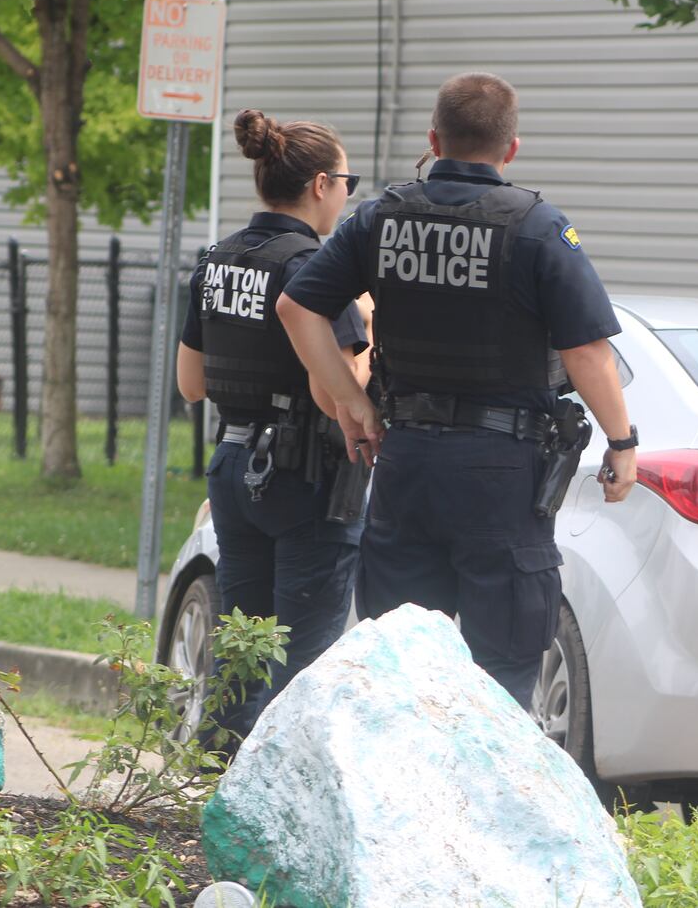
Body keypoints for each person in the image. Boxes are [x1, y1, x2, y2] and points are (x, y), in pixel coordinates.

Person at [276, 71, 637, 709]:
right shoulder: (537, 227)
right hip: (500, 473)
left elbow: (295, 308)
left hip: (406, 461)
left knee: (402, 673)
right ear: (511, 148)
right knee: (502, 673)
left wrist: (351, 404)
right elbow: (586, 351)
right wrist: (622, 443)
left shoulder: (380, 218)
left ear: (433, 138)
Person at [176, 109, 371, 750]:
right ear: (320, 184)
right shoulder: (319, 268)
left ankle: (211, 786)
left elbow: (191, 383)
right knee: (301, 664)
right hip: (304, 477)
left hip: (234, 463)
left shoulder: (220, 257)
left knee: (241, 648)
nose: (349, 193)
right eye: (348, 180)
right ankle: (274, 806)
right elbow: (335, 389)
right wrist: (370, 329)